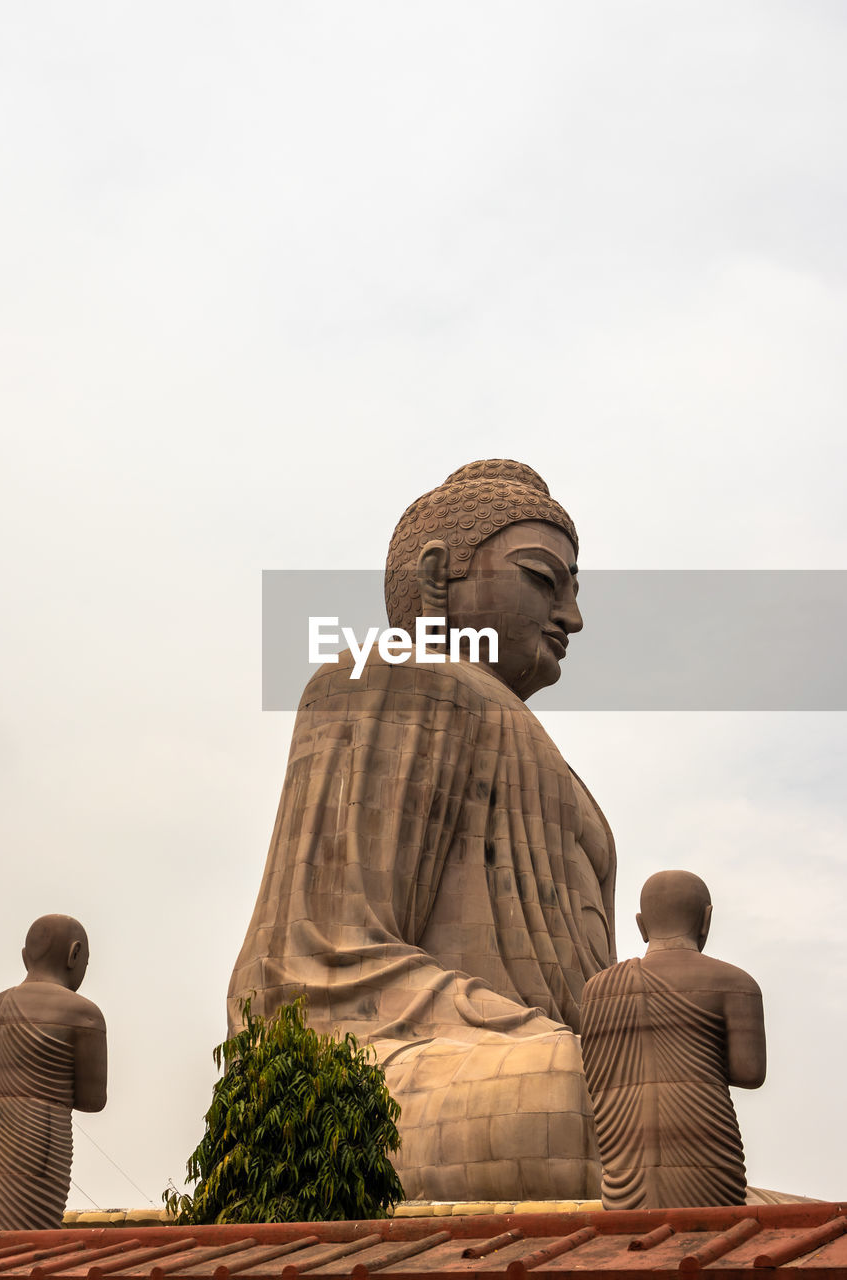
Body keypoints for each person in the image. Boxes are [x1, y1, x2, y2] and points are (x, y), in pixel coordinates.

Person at [228, 459, 617, 1200]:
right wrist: (535, 1040)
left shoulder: (551, 762)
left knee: (657, 1098)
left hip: (540, 1060)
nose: (571, 617)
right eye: (543, 580)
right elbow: (307, 973)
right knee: (572, 1100)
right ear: (438, 576)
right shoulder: (385, 677)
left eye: (574, 591)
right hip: (392, 1070)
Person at [579, 870, 766, 1209]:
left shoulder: (597, 991)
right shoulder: (736, 982)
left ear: (641, 925)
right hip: (707, 1153)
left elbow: (595, 1073)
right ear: (706, 919)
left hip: (626, 1157)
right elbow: (749, 1072)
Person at [0, 914, 107, 1230]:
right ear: (74, 954)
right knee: (26, 1244)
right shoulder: (84, 1014)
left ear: (26, 957)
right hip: (37, 1137)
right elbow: (92, 1100)